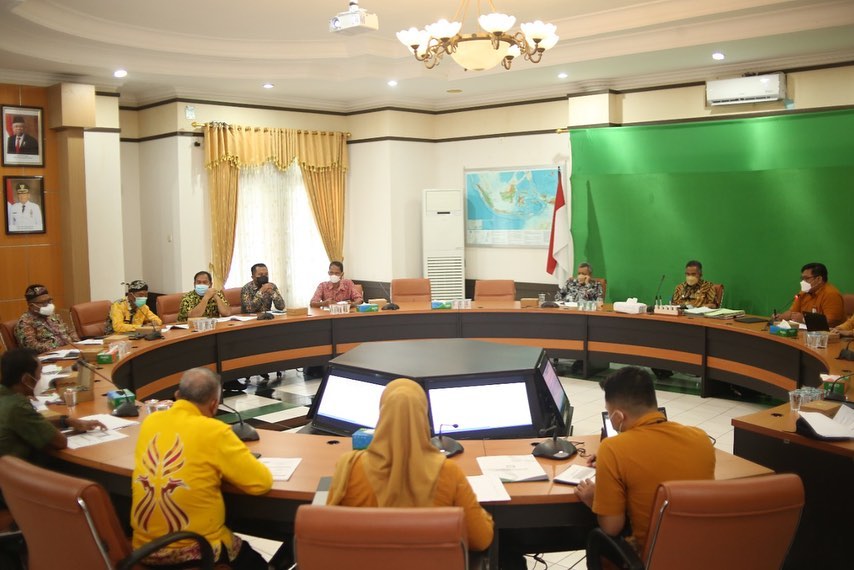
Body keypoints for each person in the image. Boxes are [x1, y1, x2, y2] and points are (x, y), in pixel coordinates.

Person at [327, 378, 494, 552]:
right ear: (424, 418)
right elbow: (481, 540)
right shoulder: (447, 473)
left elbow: (328, 534)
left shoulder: (348, 468)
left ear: (382, 415)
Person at [131, 368, 272, 569]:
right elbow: (261, 484)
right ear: (214, 405)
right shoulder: (215, 432)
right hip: (196, 552)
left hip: (143, 550)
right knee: (256, 563)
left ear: (177, 396)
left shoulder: (150, 422)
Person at [575, 366, 715, 559]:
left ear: (617, 417)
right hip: (704, 555)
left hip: (652, 558)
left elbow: (612, 527)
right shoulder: (700, 437)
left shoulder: (613, 448)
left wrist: (593, 500)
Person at [0, 349, 105, 462]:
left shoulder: (6, 395)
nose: (41, 377)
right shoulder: (18, 407)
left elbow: (31, 423)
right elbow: (60, 442)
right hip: (17, 472)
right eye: (40, 372)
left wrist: (66, 421)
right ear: (26, 380)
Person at [13, 284, 79, 353]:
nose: (48, 305)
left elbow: (69, 331)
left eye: (49, 301)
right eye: (43, 303)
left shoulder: (53, 315)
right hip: (49, 357)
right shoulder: (24, 323)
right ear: (31, 306)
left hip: (71, 350)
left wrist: (76, 342)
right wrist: (58, 347)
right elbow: (31, 347)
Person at [778, 262, 845, 327]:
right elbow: (792, 312)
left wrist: (804, 319)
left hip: (829, 334)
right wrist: (779, 317)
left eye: (806, 278)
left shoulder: (831, 294)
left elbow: (831, 321)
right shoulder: (802, 293)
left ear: (819, 279)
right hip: (806, 331)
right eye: (802, 278)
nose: (803, 282)